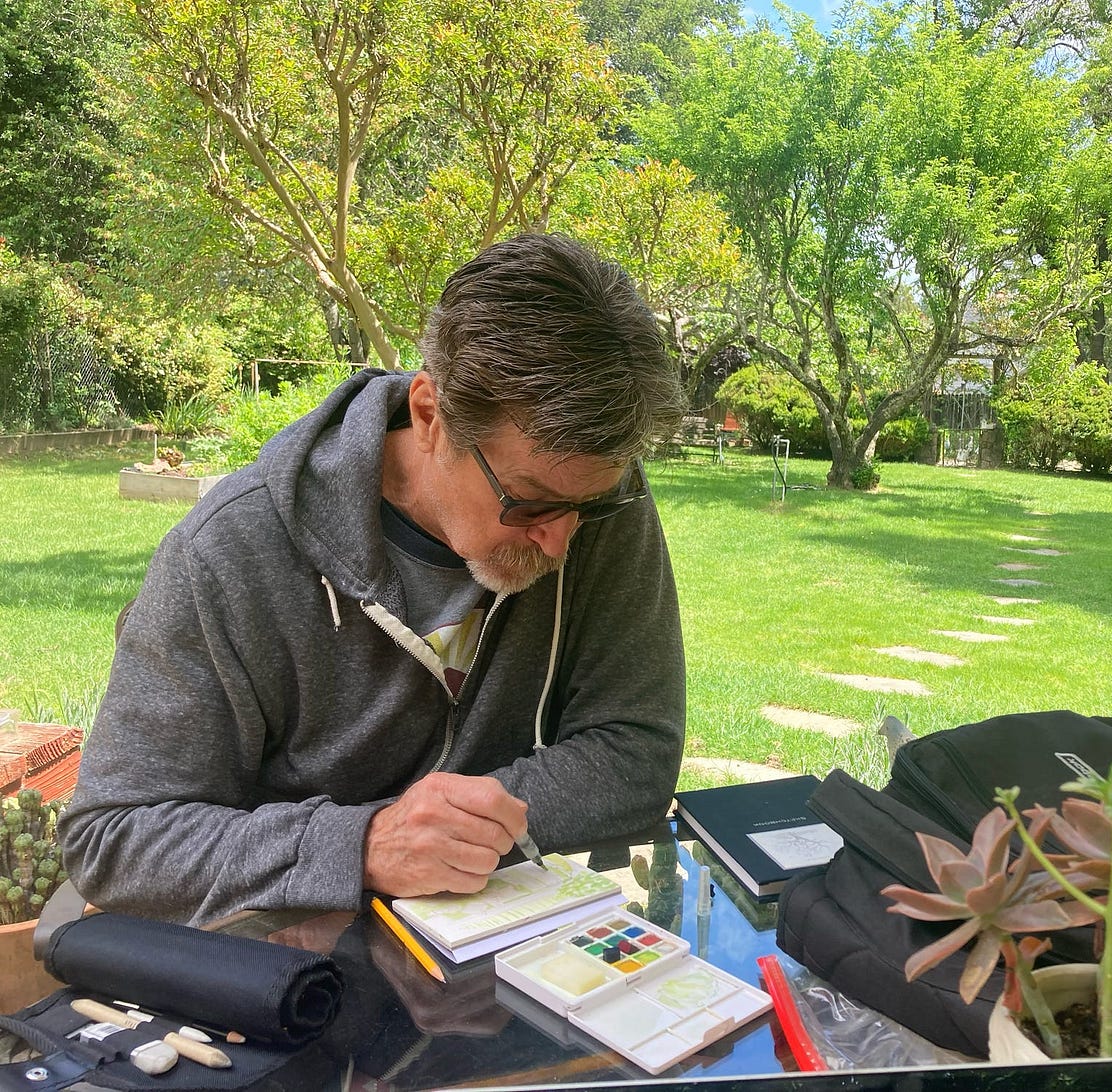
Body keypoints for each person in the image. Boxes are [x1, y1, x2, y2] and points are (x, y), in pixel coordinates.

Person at [59, 234, 689, 926]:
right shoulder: (229, 551)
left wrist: (455, 835)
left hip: (515, 956)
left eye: (590, 505)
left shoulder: (596, 496)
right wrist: (362, 846)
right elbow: (112, 839)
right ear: (429, 413)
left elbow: (637, 749)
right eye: (529, 501)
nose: (564, 538)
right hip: (291, 975)